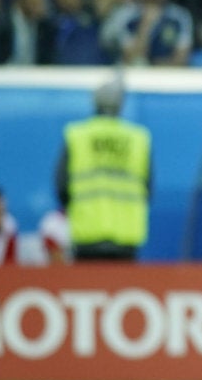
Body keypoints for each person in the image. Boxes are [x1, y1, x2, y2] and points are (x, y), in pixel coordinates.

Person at [56, 75, 152, 261]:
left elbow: (62, 187)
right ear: (121, 105)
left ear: (94, 103)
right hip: (126, 239)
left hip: (87, 236)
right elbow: (148, 189)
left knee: (87, 289)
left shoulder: (77, 136)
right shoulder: (138, 139)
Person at [100, 0, 192, 66]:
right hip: (131, 76)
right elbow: (132, 58)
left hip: (168, 77)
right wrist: (146, 24)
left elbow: (181, 60)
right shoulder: (125, 15)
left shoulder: (180, 17)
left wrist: (154, 70)